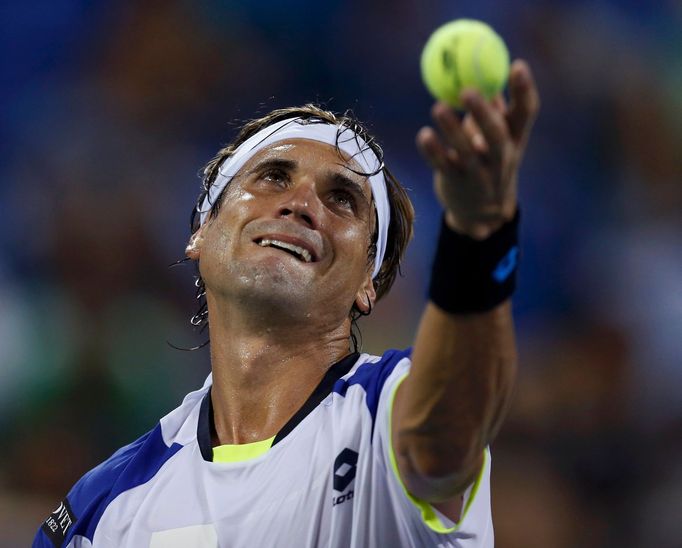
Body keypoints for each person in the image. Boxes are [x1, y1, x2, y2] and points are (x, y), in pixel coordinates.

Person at [34, 59, 539, 548]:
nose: (301, 204)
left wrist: (478, 236)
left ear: (370, 281)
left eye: (342, 198)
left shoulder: (388, 408)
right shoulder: (99, 513)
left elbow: (450, 436)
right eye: (274, 176)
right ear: (201, 233)